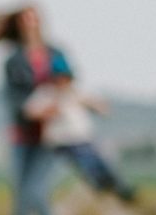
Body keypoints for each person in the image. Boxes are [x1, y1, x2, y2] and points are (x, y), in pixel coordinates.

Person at [0, 3, 67, 215]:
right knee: (20, 202)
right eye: (25, 20)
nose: (30, 25)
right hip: (23, 137)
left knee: (36, 193)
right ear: (19, 26)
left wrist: (57, 105)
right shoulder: (13, 60)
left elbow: (69, 82)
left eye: (34, 19)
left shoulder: (56, 53)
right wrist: (29, 111)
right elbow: (11, 98)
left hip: (50, 137)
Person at [24, 57, 137, 202]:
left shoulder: (76, 92)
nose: (62, 81)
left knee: (103, 161)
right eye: (59, 78)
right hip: (60, 142)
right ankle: (100, 183)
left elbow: (104, 109)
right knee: (86, 162)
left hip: (83, 138)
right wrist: (51, 109)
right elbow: (30, 112)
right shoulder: (46, 93)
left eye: (64, 78)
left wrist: (89, 103)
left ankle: (120, 188)